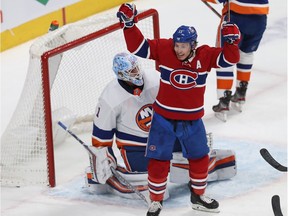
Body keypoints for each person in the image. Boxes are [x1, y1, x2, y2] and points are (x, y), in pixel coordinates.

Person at [116, 3, 240, 215]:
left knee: (200, 156)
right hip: (163, 119)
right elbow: (139, 47)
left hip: (192, 120)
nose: (178, 49)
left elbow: (230, 59)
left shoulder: (205, 55)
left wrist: (231, 42)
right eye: (177, 45)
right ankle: (155, 200)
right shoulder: (165, 49)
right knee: (158, 160)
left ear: (193, 45)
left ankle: (198, 196)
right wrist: (129, 25)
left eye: (183, 46)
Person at [86, 52, 237, 202]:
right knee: (151, 177)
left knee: (190, 161)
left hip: (164, 136)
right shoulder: (109, 97)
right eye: (132, 71)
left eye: (136, 67)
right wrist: (105, 160)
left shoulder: (155, 78)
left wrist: (190, 134)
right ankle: (110, 182)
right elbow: (101, 137)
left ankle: (204, 166)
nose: (137, 72)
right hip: (136, 147)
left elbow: (179, 104)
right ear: (121, 74)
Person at [204, 0, 269, 121]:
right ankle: (241, 92)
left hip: (236, 17)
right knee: (247, 53)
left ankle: (224, 101)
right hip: (260, 20)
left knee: (225, 57)